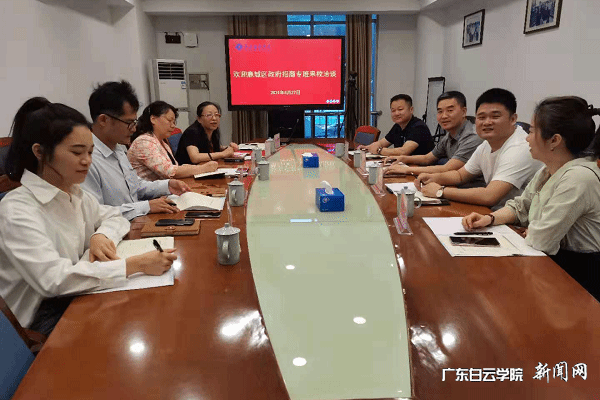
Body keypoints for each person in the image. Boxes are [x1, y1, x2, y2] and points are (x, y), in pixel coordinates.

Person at [0, 97, 176, 335]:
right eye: (77, 152)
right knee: (134, 326)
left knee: (154, 311)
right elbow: (53, 279)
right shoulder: (17, 209)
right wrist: (135, 265)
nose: (87, 161)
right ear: (40, 152)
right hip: (41, 314)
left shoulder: (74, 192)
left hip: (77, 290)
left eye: (90, 152)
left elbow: (115, 216)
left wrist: (100, 235)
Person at [462, 96, 600, 300]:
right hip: (546, 264)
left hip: (577, 279)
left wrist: (532, 230)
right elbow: (522, 206)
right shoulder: (549, 169)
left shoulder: (579, 177)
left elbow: (541, 240)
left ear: (554, 140)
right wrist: (490, 219)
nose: (527, 137)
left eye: (533, 131)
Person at [415, 88, 542, 209]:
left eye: (495, 117)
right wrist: (433, 177)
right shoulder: (487, 144)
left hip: (518, 219)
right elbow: (460, 175)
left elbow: (489, 196)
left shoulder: (520, 148)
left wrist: (440, 191)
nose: (487, 122)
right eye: (481, 117)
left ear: (513, 119)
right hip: (494, 212)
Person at [82, 81, 190, 220]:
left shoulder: (117, 149)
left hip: (137, 221)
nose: (134, 129)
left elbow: (135, 186)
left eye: (135, 122)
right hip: (117, 230)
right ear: (103, 120)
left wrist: (167, 185)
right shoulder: (86, 160)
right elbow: (95, 214)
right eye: (129, 123)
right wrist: (146, 207)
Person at [384, 91, 482, 176]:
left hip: (470, 189)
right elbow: (427, 158)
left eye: (450, 110)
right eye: (440, 111)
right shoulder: (449, 135)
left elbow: (447, 169)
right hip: (451, 182)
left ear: (464, 112)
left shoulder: (472, 136)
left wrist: (406, 170)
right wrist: (403, 159)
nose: (444, 116)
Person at [127, 101, 218, 181]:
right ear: (153, 119)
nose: (173, 126)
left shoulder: (162, 142)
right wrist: (203, 168)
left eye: (174, 122)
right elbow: (170, 172)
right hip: (150, 194)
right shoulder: (144, 142)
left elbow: (176, 167)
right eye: (169, 120)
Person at [357, 94, 433, 157]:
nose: (396, 113)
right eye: (393, 110)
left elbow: (404, 151)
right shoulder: (397, 126)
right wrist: (368, 148)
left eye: (400, 109)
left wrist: (379, 150)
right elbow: (382, 143)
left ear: (411, 110)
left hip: (421, 167)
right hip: (403, 165)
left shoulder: (419, 127)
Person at [175, 102, 239, 165]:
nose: (214, 118)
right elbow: (195, 158)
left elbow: (207, 147)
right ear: (199, 119)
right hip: (189, 170)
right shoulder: (192, 132)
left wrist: (227, 148)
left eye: (216, 115)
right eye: (209, 115)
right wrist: (223, 154)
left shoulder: (213, 131)